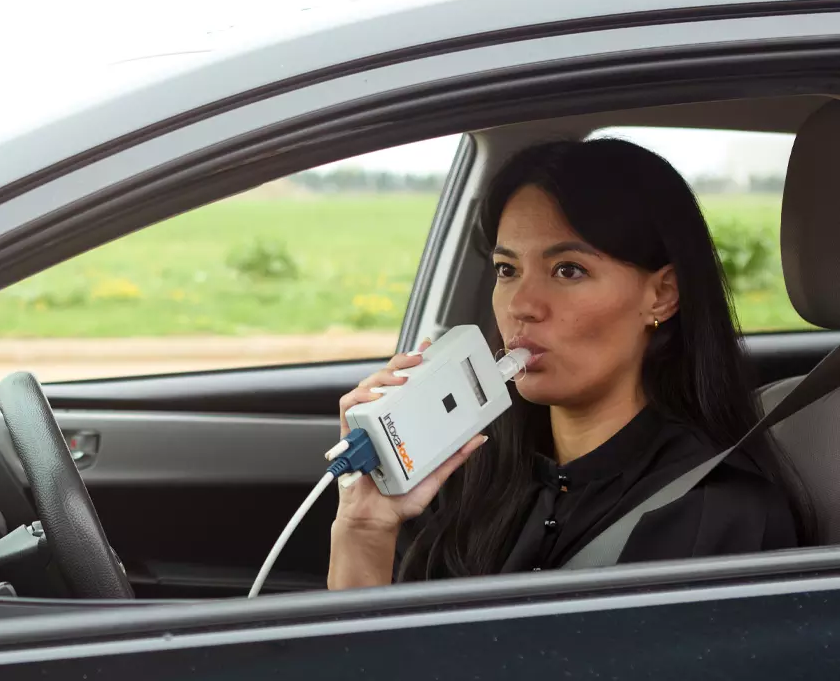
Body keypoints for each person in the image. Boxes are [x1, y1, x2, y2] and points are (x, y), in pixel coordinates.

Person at [328, 138, 814, 588]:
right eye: (507, 269)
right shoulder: (465, 470)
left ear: (662, 295)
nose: (522, 305)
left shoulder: (714, 513)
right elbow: (365, 645)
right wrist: (364, 526)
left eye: (568, 270)